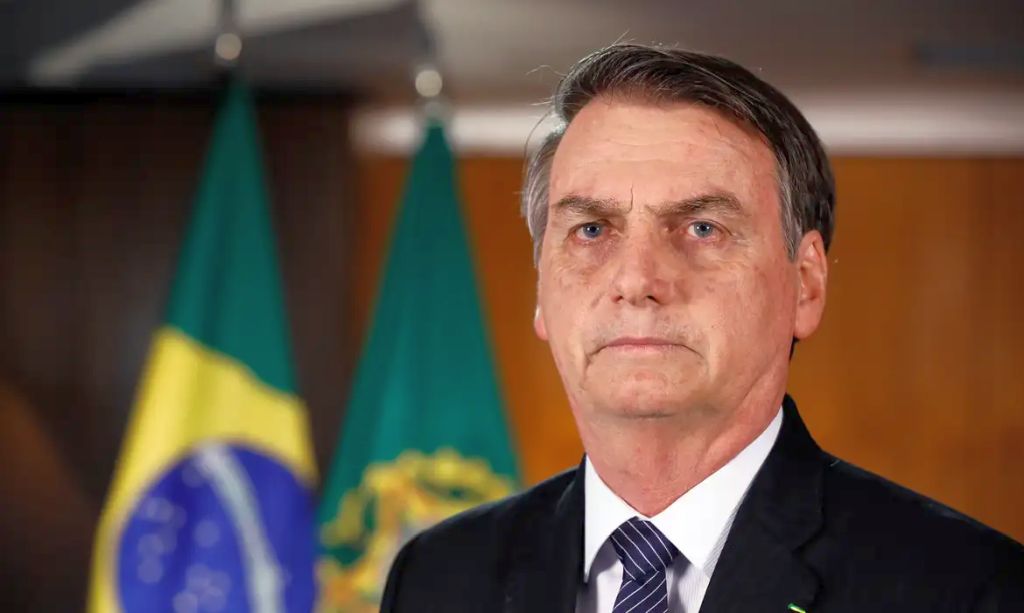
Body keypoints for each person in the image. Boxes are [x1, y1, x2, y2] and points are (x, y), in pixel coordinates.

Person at [380, 44, 1024, 612]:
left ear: (805, 284)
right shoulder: (437, 578)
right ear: (542, 291)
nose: (637, 280)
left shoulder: (968, 589)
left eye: (702, 228)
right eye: (592, 230)